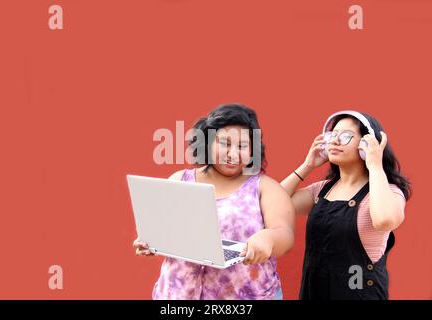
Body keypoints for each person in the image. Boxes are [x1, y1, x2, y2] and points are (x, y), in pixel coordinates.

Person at [134, 103, 295, 299]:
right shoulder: (180, 180)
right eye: (225, 144)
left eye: (242, 146)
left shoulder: (265, 187)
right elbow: (163, 230)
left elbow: (284, 234)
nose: (233, 154)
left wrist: (268, 239)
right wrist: (151, 242)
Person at [280, 110, 411, 300]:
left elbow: (385, 220)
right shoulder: (322, 190)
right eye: (332, 135)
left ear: (366, 144)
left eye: (346, 136)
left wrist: (375, 165)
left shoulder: (387, 191)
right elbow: (272, 205)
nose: (334, 141)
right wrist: (307, 165)